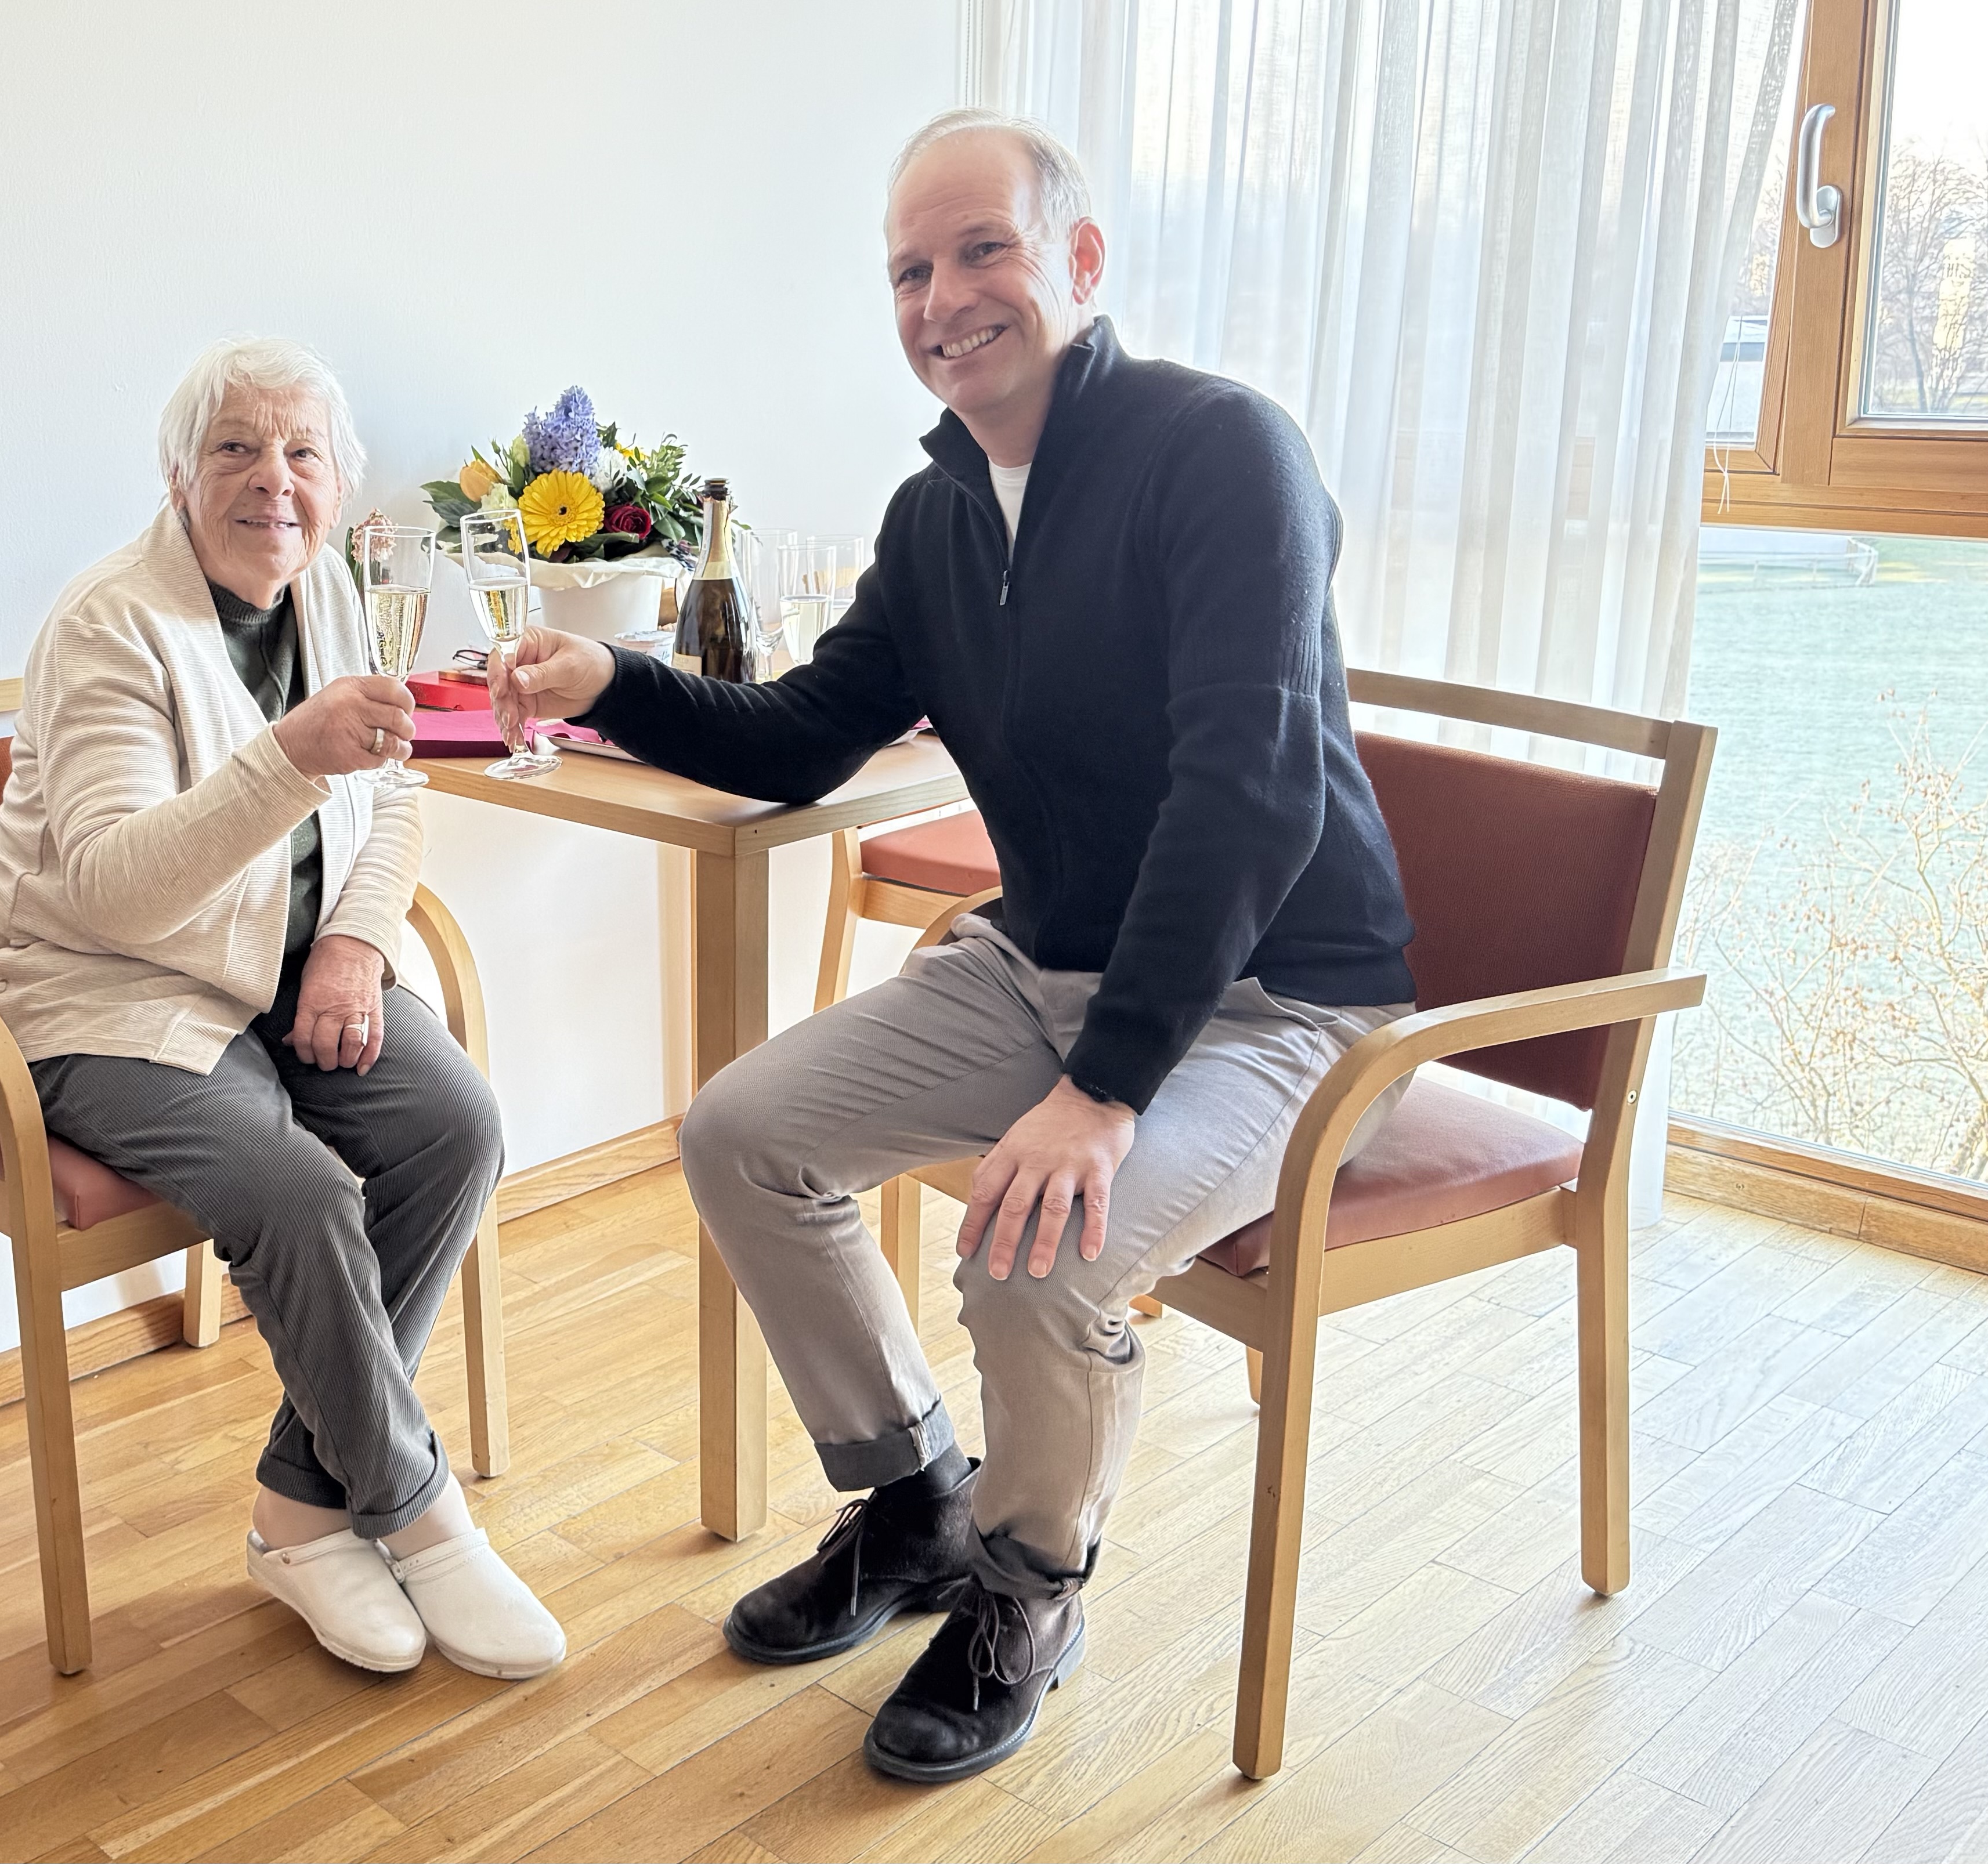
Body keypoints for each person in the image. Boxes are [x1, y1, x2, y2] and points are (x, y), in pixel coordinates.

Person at [490, 110, 1418, 1780]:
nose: (943, 298)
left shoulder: (1224, 453)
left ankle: (1029, 1585)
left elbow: (1250, 792)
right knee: (741, 1132)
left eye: (983, 249)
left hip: (1274, 998)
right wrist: (611, 682)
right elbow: (805, 734)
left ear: (1081, 259)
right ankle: (914, 1494)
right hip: (1042, 959)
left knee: (1034, 1255)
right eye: (910, 270)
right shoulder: (935, 518)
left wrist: (1103, 1091)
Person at [0, 335, 563, 1682]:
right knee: (298, 1192)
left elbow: (396, 795)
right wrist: (292, 755)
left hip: (283, 969)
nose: (272, 479)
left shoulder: (332, 590)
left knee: (456, 1125)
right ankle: (420, 1514)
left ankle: (298, 1512)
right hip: (101, 995)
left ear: (339, 484)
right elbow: (113, 891)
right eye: (235, 448)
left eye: (302, 453)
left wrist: (354, 944)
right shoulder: (108, 625)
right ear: (178, 478)